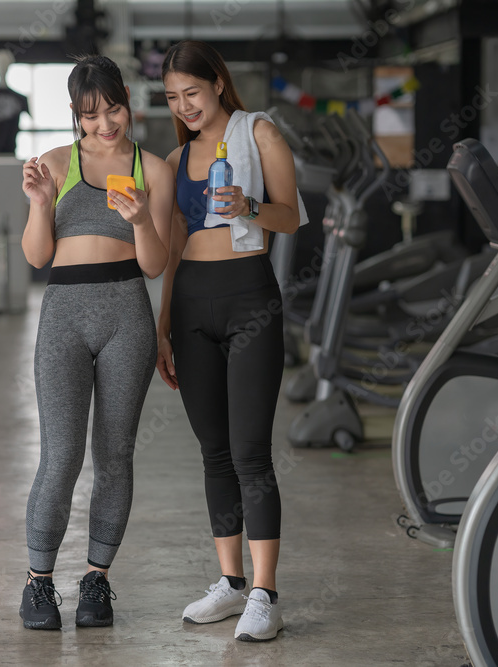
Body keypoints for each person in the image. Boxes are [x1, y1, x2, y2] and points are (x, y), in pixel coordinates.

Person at [156, 40, 306, 642]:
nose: (184, 106)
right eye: (173, 97)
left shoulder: (259, 133)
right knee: (213, 451)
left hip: (249, 298)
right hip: (191, 305)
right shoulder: (176, 158)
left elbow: (291, 216)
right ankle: (231, 582)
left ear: (218, 82)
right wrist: (163, 325)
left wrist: (249, 205)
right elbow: (172, 248)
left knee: (250, 451)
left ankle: (266, 594)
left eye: (192, 92)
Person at [19, 55, 173, 630]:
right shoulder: (55, 163)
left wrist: (141, 221)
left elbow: (155, 265)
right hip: (63, 314)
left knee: (114, 455)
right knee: (61, 455)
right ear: (74, 114)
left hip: (126, 316)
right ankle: (38, 582)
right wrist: (40, 204)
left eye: (112, 109)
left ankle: (96, 580)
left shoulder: (152, 169)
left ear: (127, 99)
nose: (104, 124)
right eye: (90, 115)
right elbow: (37, 256)